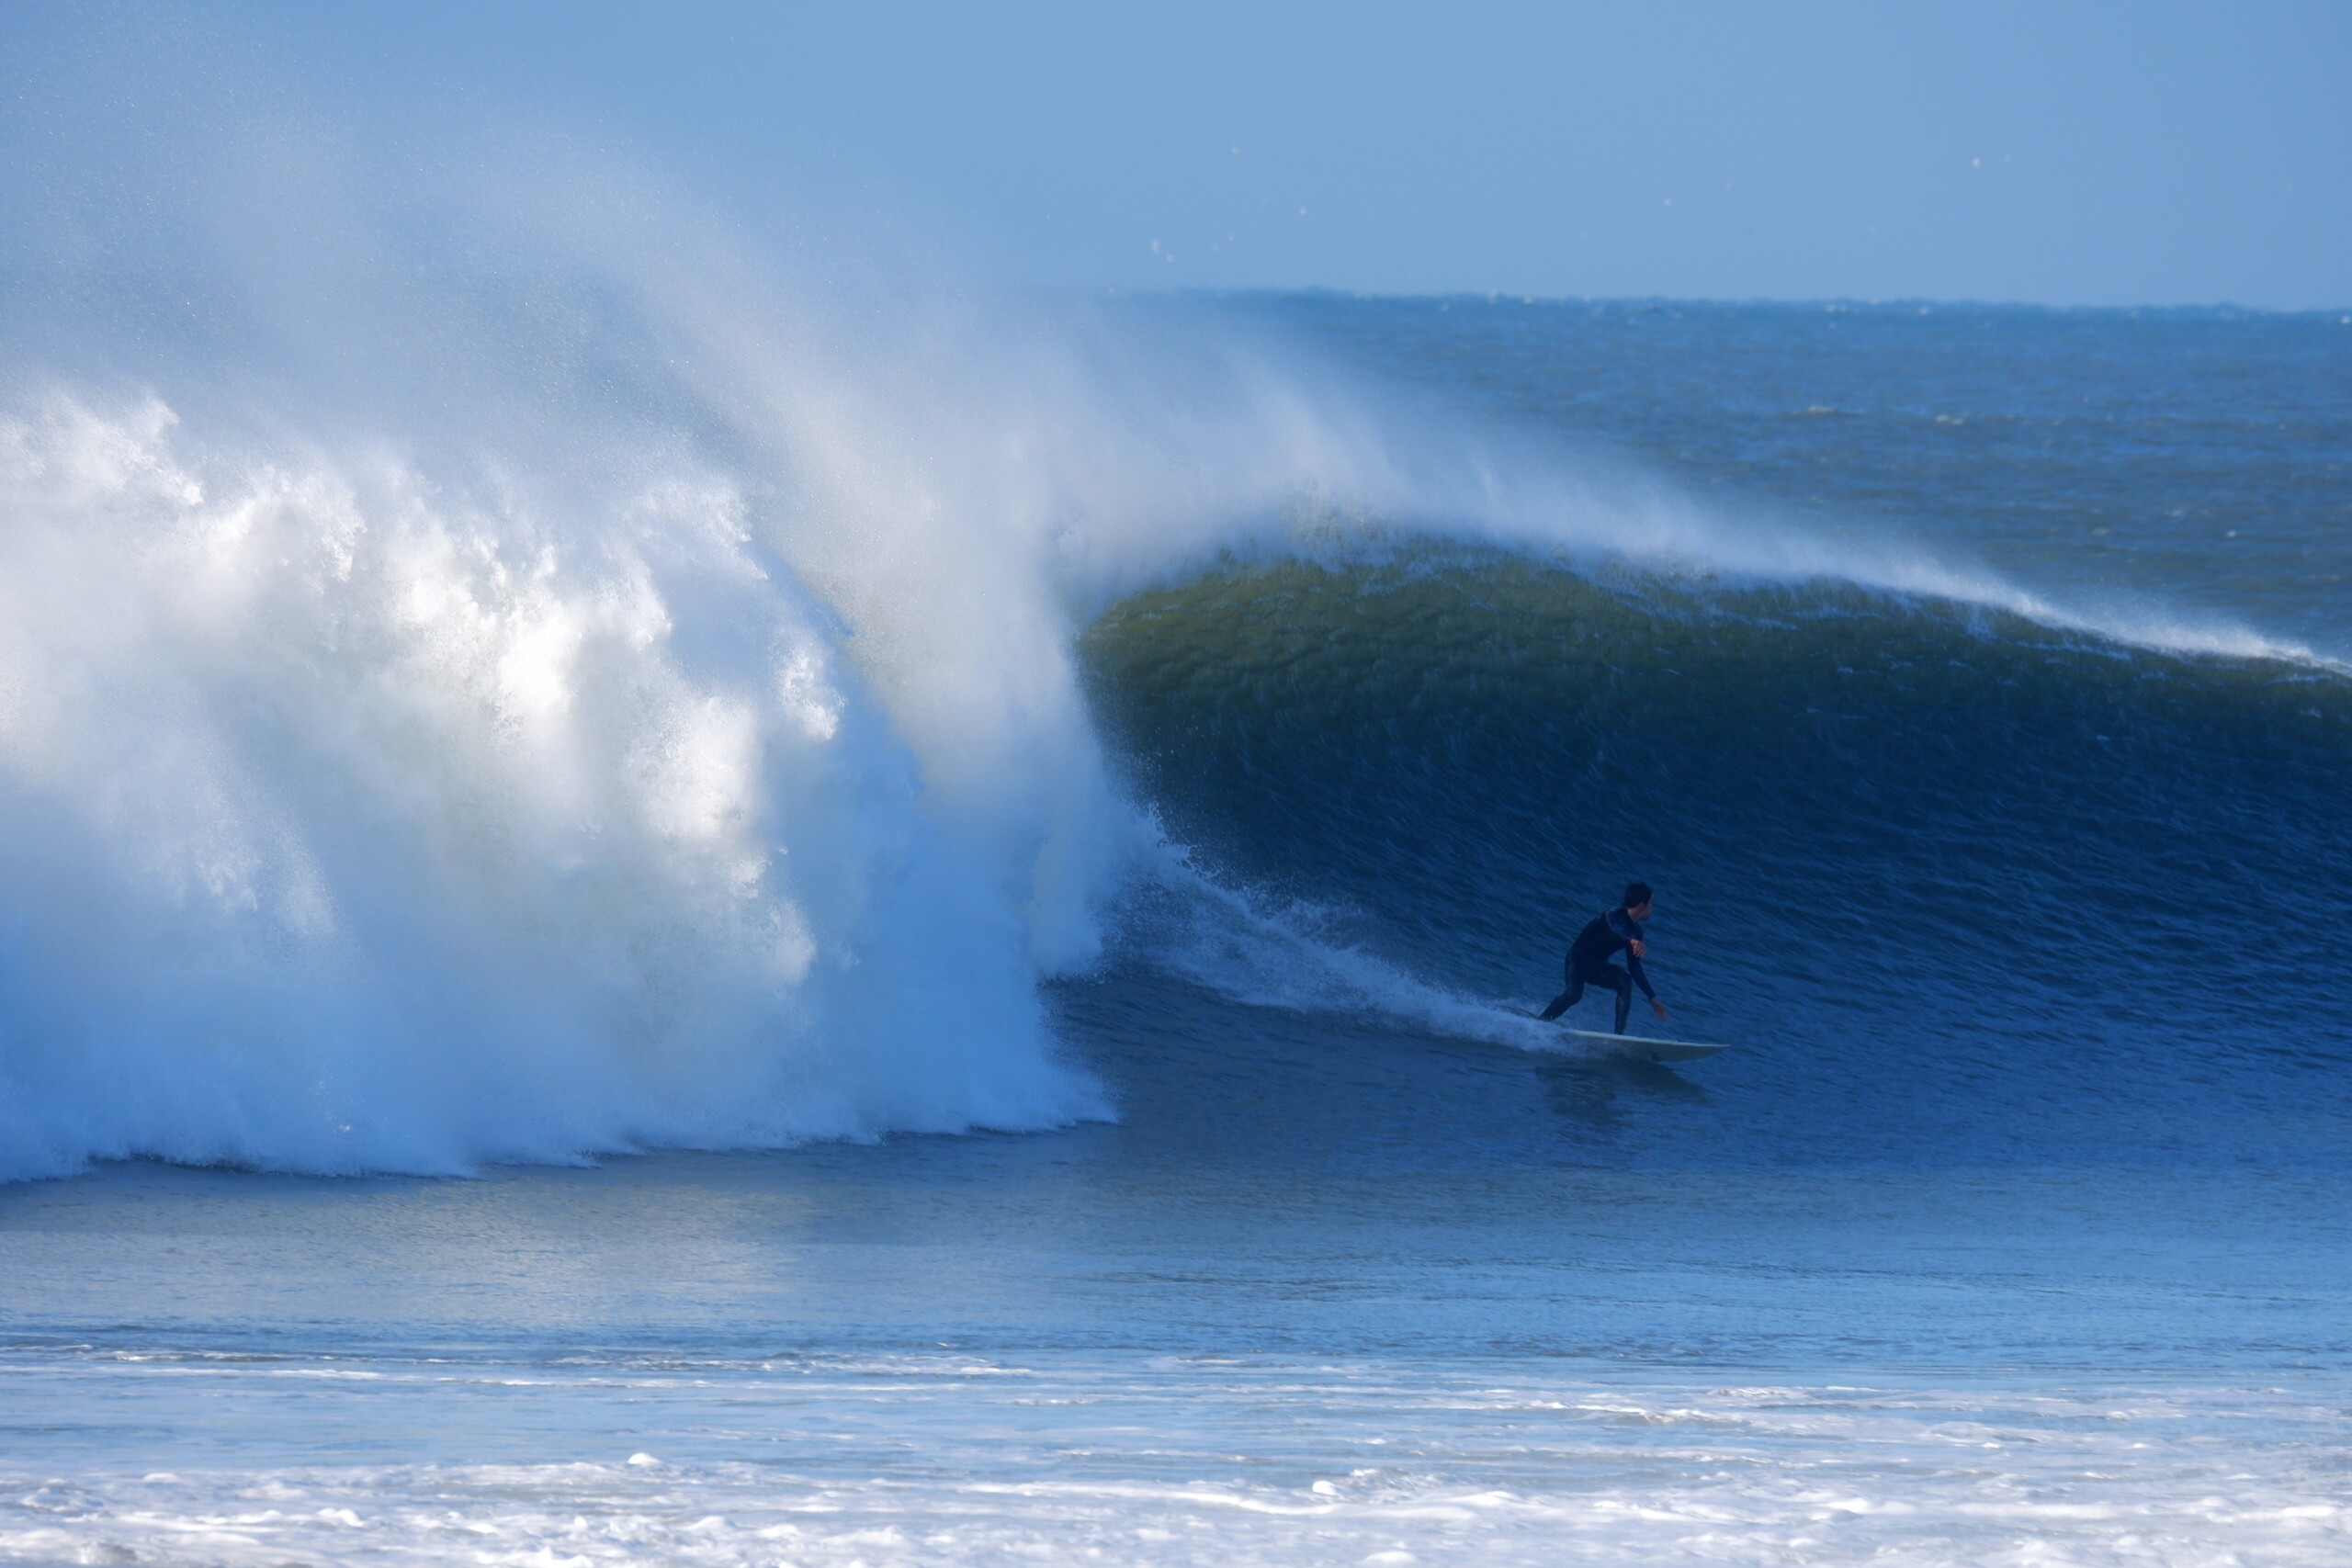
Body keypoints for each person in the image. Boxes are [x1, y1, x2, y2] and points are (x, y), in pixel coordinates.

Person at [1539, 882, 1670, 1034]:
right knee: (1574, 995)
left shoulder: (1637, 932)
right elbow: (1614, 930)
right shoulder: (1611, 915)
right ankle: (1540, 1022)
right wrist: (1630, 941)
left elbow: (1634, 967)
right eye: (1651, 903)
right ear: (1642, 905)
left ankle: (1619, 1036)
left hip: (1597, 967)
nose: (1652, 908)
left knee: (1625, 980)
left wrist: (1652, 998)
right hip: (1577, 960)